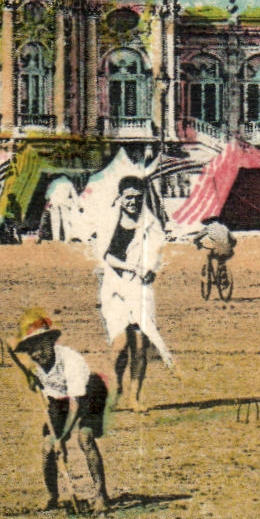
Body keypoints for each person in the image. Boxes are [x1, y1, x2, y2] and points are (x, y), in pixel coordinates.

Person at [6, 308, 111, 515]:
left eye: (40, 347)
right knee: (48, 448)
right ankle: (53, 498)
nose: (37, 354)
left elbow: (77, 404)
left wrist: (62, 437)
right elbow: (44, 388)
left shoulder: (71, 360)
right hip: (59, 400)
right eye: (31, 350)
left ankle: (101, 496)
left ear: (51, 343)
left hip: (89, 395)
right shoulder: (35, 367)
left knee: (85, 438)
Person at [96, 174, 170, 412]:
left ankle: (134, 397)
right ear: (120, 198)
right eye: (128, 198)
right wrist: (130, 267)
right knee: (119, 344)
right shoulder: (109, 220)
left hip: (139, 289)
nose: (133, 203)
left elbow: (158, 253)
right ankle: (116, 387)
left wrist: (151, 270)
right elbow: (104, 255)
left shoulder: (150, 223)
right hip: (115, 288)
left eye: (138, 198)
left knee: (140, 344)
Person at [193, 215, 235, 285]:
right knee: (221, 259)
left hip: (218, 250)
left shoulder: (209, 228)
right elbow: (234, 240)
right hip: (229, 251)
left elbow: (196, 239)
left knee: (209, 256)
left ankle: (210, 277)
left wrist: (199, 244)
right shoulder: (224, 228)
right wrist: (229, 246)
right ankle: (222, 273)